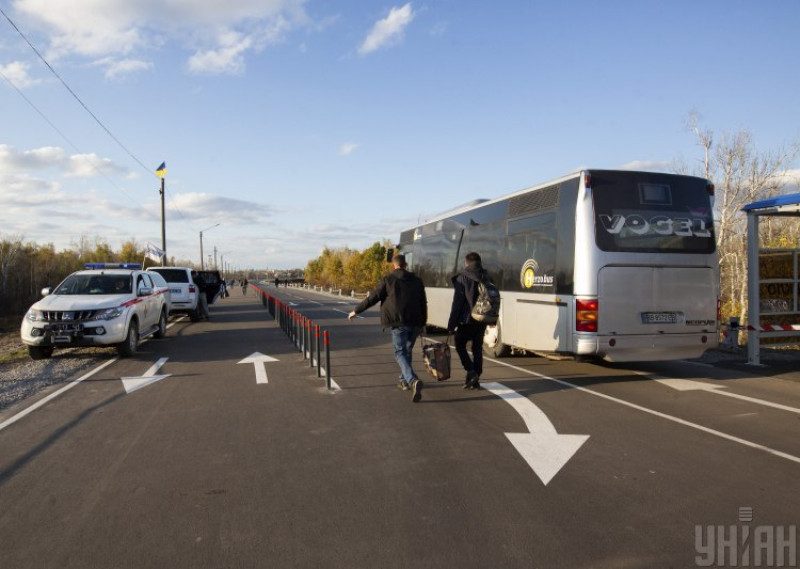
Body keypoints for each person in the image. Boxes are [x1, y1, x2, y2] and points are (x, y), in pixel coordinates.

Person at [348, 254, 427, 402]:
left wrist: (356, 311)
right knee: (407, 351)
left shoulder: (389, 280)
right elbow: (423, 302)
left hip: (398, 322)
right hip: (415, 322)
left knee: (399, 352)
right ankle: (404, 380)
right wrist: (423, 324)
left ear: (394, 265)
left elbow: (372, 298)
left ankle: (412, 380)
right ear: (406, 265)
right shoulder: (417, 281)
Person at [447, 252, 491, 390]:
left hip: (467, 320)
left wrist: (451, 324)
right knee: (477, 348)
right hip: (482, 319)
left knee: (459, 345)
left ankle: (471, 371)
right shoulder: (486, 276)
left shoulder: (463, 278)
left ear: (466, 263)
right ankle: (476, 377)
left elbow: (457, 303)